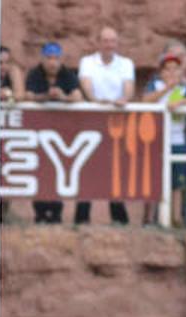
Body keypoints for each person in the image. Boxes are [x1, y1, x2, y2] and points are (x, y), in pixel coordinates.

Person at [76, 27, 134, 225]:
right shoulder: (87, 62)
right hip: (91, 122)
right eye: (106, 40)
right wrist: (95, 102)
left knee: (115, 167)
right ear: (98, 42)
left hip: (116, 124)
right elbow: (86, 84)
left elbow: (128, 89)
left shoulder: (126, 63)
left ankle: (119, 216)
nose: (109, 45)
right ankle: (82, 216)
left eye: (113, 41)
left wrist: (123, 100)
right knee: (87, 167)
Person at [144, 50, 186, 227]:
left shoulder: (184, 90)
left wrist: (182, 102)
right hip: (155, 142)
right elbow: (145, 101)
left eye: (175, 69)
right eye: (167, 69)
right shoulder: (155, 87)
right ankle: (150, 220)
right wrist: (167, 88)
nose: (171, 73)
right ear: (161, 72)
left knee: (178, 183)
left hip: (179, 142)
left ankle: (174, 219)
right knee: (153, 182)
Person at [25, 42, 80, 224]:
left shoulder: (67, 74)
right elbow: (28, 96)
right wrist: (46, 97)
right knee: (39, 171)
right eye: (49, 58)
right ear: (43, 58)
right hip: (38, 133)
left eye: (56, 59)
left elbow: (77, 96)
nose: (53, 63)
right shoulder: (35, 74)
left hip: (61, 133)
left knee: (59, 171)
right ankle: (39, 214)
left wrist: (63, 98)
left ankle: (56, 215)